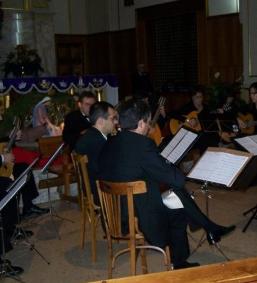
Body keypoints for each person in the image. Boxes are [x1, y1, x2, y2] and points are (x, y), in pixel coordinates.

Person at [98, 99, 236, 269]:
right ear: (141, 123)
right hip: (134, 217)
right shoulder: (143, 144)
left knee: (171, 193)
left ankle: (208, 227)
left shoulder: (110, 141)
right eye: (149, 122)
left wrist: (159, 167)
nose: (149, 127)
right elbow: (177, 180)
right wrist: (167, 166)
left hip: (112, 213)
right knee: (176, 206)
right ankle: (179, 261)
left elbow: (130, 168)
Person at [75, 101, 117, 207]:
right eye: (112, 118)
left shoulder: (90, 135)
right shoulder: (97, 142)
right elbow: (106, 171)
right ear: (100, 121)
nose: (115, 122)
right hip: (99, 192)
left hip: (91, 189)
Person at [169, 86, 220, 154]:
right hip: (191, 136)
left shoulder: (206, 108)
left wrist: (218, 113)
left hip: (204, 134)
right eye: (197, 97)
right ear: (192, 97)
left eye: (201, 97)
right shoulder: (188, 107)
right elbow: (172, 114)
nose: (199, 99)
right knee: (205, 138)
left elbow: (210, 120)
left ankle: (213, 156)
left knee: (213, 136)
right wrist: (188, 120)